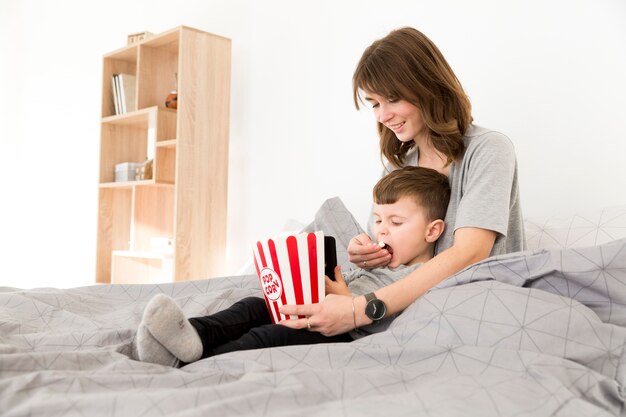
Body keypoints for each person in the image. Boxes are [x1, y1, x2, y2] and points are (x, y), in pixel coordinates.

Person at [279, 27, 525, 336]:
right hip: (407, 317)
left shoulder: (488, 149)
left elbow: (470, 254)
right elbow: (393, 265)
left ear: (428, 88)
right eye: (374, 103)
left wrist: (360, 309)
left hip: (473, 311)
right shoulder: (398, 167)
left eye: (392, 99)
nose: (382, 115)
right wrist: (368, 255)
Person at [135, 166, 450, 366]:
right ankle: (191, 334)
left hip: (343, 336)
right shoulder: (377, 264)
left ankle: (199, 365)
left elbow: (387, 326)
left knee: (271, 334)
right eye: (378, 220)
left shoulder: (422, 277)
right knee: (252, 306)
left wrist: (345, 300)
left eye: (396, 222)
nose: (382, 230)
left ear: (432, 231)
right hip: (317, 311)